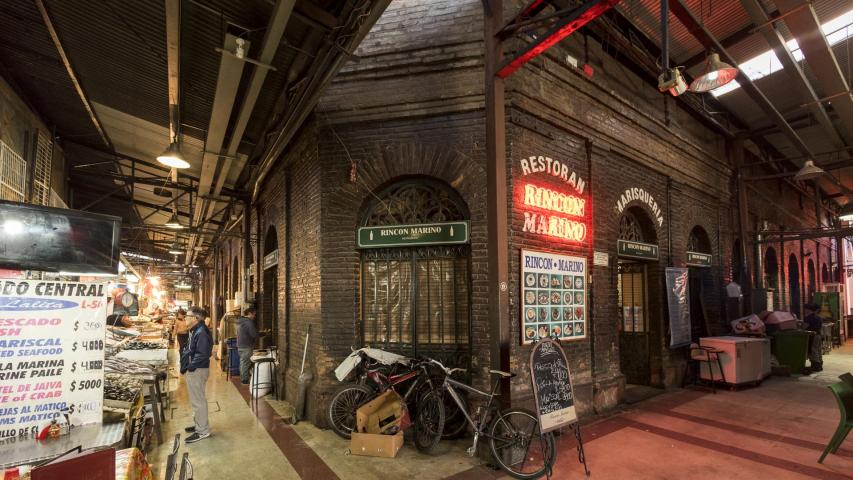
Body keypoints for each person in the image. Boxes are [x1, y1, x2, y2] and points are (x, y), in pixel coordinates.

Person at [180, 306, 213, 443]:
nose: (185, 318)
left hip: (197, 370)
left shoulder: (201, 332)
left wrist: (190, 367)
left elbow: (203, 354)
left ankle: (202, 431)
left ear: (195, 318)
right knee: (196, 401)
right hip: (195, 369)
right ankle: (199, 424)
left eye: (187, 316)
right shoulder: (195, 330)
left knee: (198, 401)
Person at [237, 306, 259, 384]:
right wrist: (262, 333)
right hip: (247, 345)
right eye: (254, 314)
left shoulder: (241, 321)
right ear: (249, 313)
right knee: (245, 363)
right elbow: (253, 334)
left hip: (240, 345)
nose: (254, 316)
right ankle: (245, 380)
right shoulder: (248, 322)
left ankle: (243, 377)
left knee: (243, 362)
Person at [803, 303, 823, 372]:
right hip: (819, 335)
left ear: (808, 310)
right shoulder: (819, 318)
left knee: (813, 351)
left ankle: (816, 366)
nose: (805, 311)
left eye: (805, 310)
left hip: (813, 336)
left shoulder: (808, 318)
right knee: (818, 350)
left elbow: (804, 327)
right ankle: (820, 364)